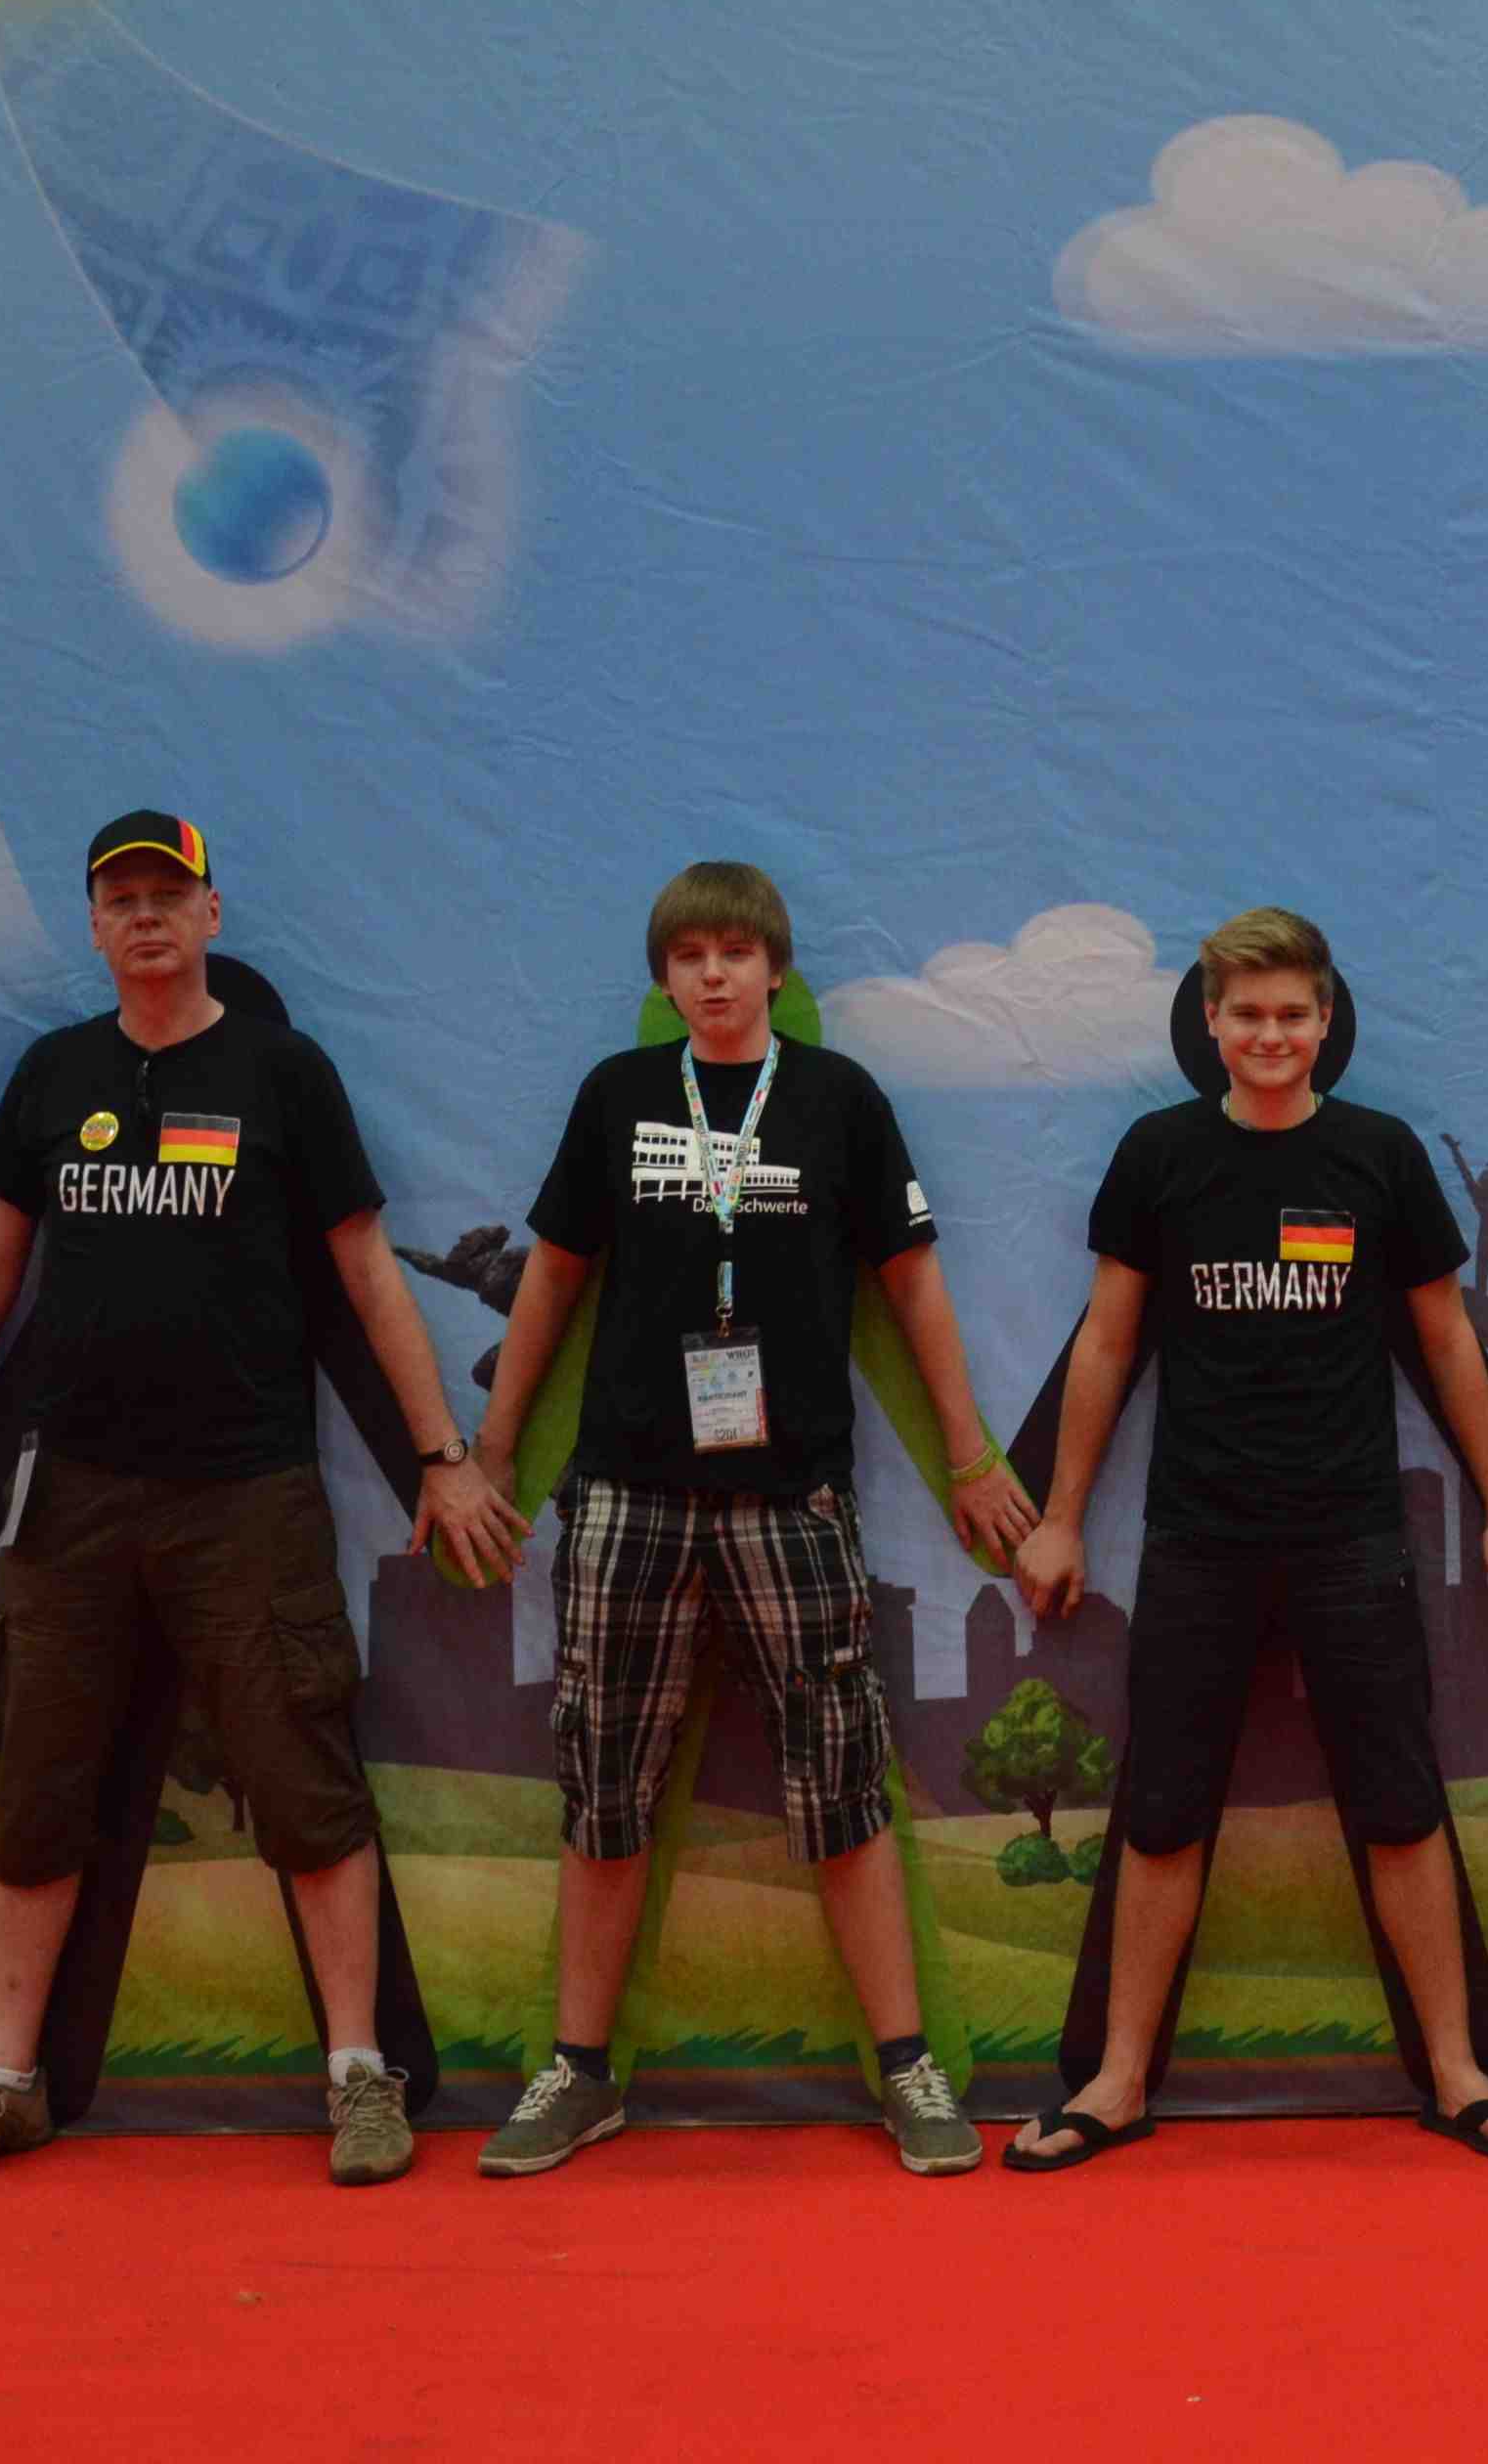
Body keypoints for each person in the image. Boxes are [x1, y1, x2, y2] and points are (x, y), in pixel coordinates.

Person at [0, 811, 526, 2194]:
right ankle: (6, 2081)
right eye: (122, 898)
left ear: (211, 915)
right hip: (75, 1506)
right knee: (37, 1793)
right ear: (95, 927)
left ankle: (358, 2076)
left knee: (305, 1785)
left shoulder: (282, 1073)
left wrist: (443, 1454)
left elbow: (367, 1272)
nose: (146, 916)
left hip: (248, 1498)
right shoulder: (55, 1076)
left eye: (170, 894)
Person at [466, 863, 1033, 2179]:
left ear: (776, 969)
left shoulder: (839, 1101)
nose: (713, 974)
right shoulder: (619, 1096)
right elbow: (553, 1277)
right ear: (664, 980)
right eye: (689, 957)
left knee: (841, 1783)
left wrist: (968, 1456)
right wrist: (492, 1451)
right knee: (606, 1788)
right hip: (629, 1496)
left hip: (791, 1496)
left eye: (735, 952)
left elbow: (913, 1284)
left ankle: (906, 2066)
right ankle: (582, 2071)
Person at [1002, 909, 1488, 2169]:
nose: (1268, 1035)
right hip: (1198, 1536)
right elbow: (1106, 1342)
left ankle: (1457, 2073)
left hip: (1351, 1533)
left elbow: (1446, 1337)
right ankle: (1118, 2082)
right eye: (1245, 1014)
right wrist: (1062, 1515)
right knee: (1161, 1810)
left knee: (1399, 1804)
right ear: (1209, 1022)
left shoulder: (1376, 1155)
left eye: (1291, 1015)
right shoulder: (1159, 1156)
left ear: (1324, 1022)